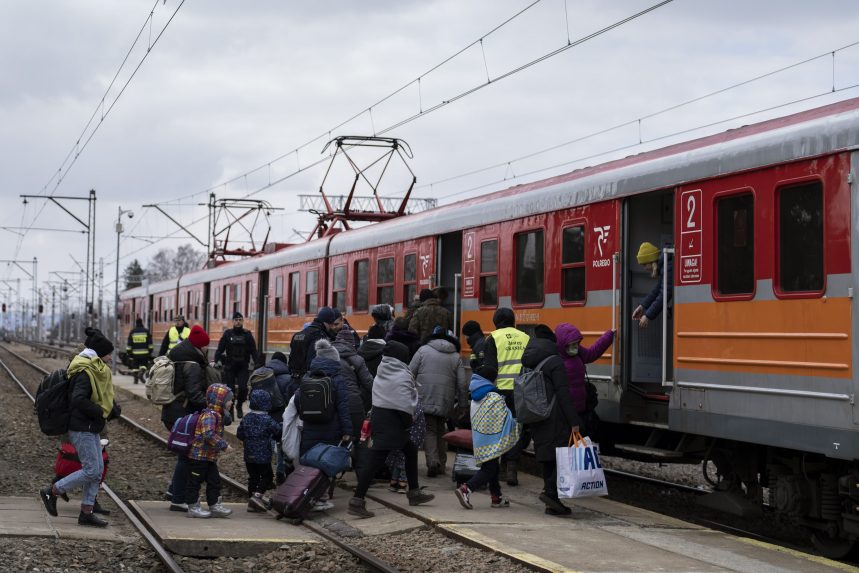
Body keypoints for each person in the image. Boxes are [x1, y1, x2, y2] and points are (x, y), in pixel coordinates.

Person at [40, 327, 121, 528]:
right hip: (81, 427)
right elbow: (78, 399)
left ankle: (86, 512)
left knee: (98, 468)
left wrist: (109, 410)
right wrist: (101, 411)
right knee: (92, 470)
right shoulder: (85, 372)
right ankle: (53, 491)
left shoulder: (96, 370)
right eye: (109, 353)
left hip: (91, 426)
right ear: (101, 354)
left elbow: (98, 398)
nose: (111, 357)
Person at [348, 341, 434, 518]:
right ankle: (357, 500)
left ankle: (414, 493)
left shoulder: (384, 370)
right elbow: (402, 406)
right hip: (392, 422)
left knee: (409, 450)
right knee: (374, 461)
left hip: (381, 418)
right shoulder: (401, 376)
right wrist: (408, 424)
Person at [522, 325, 582, 516]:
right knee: (560, 456)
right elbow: (563, 393)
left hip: (536, 414)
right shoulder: (555, 361)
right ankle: (550, 495)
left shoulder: (528, 359)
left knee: (547, 455)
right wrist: (574, 420)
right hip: (555, 416)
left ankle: (551, 501)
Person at [163, 325, 211, 512]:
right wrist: (210, 407)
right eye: (206, 345)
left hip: (174, 412)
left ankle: (174, 490)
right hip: (181, 415)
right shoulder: (192, 365)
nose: (208, 348)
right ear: (200, 346)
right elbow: (193, 393)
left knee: (185, 454)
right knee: (187, 456)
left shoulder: (181, 357)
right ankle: (178, 498)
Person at [454, 373, 519, 510]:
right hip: (493, 439)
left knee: (492, 466)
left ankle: (496, 497)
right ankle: (466, 489)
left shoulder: (475, 397)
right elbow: (505, 417)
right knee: (489, 469)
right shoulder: (494, 397)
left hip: (481, 440)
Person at [481, 307, 530, 486]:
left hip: (500, 391)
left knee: (499, 430)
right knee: (516, 430)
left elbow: (490, 368)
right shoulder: (525, 337)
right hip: (521, 391)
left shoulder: (493, 338)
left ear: (495, 321)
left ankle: (498, 469)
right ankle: (512, 470)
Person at [410, 327, 467, 477]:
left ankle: (433, 462)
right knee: (441, 430)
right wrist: (462, 405)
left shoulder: (422, 351)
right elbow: (462, 384)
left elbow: (410, 373)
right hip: (446, 400)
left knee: (429, 430)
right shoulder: (455, 356)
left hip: (425, 397)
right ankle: (441, 465)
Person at [185, 383, 235, 518]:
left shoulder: (217, 414)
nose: (231, 402)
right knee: (195, 481)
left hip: (208, 456)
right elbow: (208, 434)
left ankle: (214, 504)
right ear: (220, 401)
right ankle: (193, 506)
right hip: (199, 456)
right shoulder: (210, 415)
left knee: (214, 480)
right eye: (229, 400)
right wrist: (223, 445)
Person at [555, 324, 614, 427]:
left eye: (576, 344)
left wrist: (609, 335)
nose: (575, 347)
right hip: (565, 413)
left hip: (581, 410)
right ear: (562, 345)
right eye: (572, 345)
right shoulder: (555, 360)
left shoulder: (578, 352)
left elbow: (593, 352)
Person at [237, 389, 283, 512]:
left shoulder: (246, 418)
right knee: (267, 476)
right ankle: (257, 496)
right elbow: (278, 431)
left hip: (249, 455)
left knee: (253, 477)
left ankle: (251, 502)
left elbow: (240, 434)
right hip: (263, 456)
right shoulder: (267, 419)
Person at [214, 312, 259, 419]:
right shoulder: (227, 334)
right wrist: (217, 360)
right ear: (233, 321)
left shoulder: (247, 334)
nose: (238, 322)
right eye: (236, 320)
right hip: (230, 366)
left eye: (240, 320)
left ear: (243, 321)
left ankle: (239, 406)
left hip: (243, 366)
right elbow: (220, 349)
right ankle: (230, 409)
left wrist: (258, 364)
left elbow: (253, 350)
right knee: (230, 390)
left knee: (243, 388)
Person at [333, 327, 374, 433]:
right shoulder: (358, 359)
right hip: (353, 403)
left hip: (332, 402)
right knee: (357, 437)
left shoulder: (326, 357)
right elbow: (369, 383)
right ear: (352, 344)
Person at [268, 351, 296, 484]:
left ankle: (266, 473)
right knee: (280, 444)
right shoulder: (288, 378)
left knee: (266, 445)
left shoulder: (262, 375)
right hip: (281, 415)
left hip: (265, 414)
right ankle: (280, 472)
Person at [632, 241, 673, 328]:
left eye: (645, 265)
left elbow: (664, 294)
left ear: (651, 261)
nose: (645, 268)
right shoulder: (664, 265)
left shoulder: (667, 266)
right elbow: (658, 289)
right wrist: (642, 306)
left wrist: (648, 316)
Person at [301, 307, 343, 372]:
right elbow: (313, 360)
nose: (332, 327)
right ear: (326, 322)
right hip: (309, 377)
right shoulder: (319, 335)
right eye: (331, 324)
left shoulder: (301, 333)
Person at [125, 318, 152, 384]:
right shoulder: (146, 331)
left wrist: (129, 352)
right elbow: (150, 343)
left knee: (135, 367)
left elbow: (129, 344)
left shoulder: (133, 332)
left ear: (136, 323)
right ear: (142, 322)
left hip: (135, 353)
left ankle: (135, 380)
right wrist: (150, 351)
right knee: (144, 365)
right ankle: (141, 373)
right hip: (144, 353)